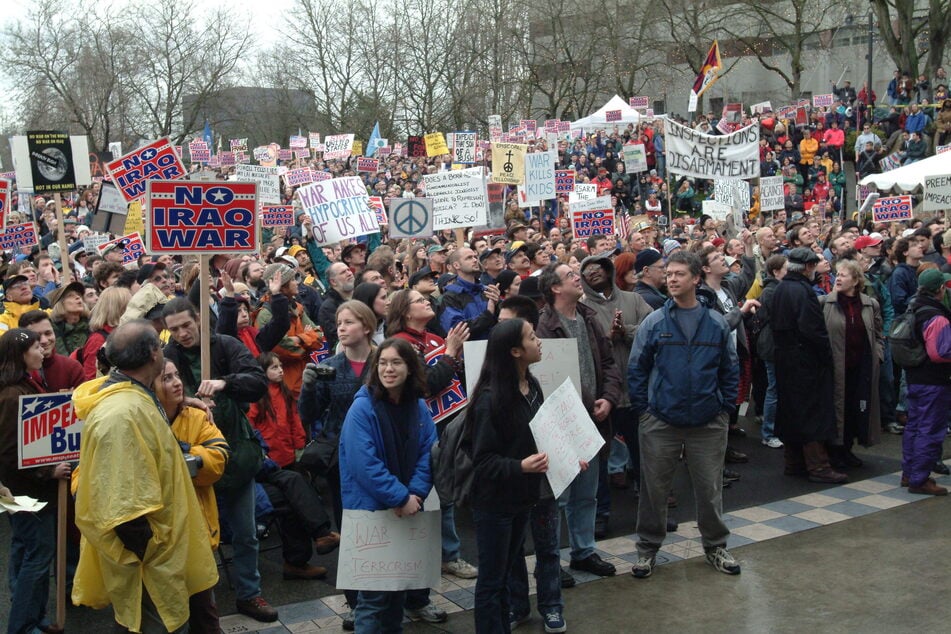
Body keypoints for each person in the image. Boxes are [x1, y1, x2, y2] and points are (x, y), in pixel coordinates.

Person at [71, 321, 217, 633]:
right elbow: (125, 508)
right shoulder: (122, 415)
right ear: (153, 353)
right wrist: (152, 551)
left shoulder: (135, 399)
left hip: (159, 556)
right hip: (149, 563)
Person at [161, 298, 278, 623]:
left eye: (186, 325)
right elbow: (152, 395)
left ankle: (249, 593)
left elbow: (257, 382)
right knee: (196, 539)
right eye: (174, 329)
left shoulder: (225, 345)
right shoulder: (167, 357)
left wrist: (226, 384)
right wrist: (187, 400)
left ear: (198, 319)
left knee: (245, 532)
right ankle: (201, 605)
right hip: (193, 460)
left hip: (235, 454)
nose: (182, 333)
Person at [628, 251, 741, 579]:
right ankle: (647, 549)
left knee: (709, 489)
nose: (672, 279)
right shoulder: (655, 321)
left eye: (679, 274)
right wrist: (644, 412)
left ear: (695, 279)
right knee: (654, 490)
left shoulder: (715, 322)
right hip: (661, 421)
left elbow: (729, 369)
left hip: (707, 421)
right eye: (669, 273)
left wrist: (725, 409)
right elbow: (637, 368)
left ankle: (716, 546)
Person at [339, 338, 437, 633]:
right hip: (371, 512)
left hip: (407, 508)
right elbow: (363, 464)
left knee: (397, 592)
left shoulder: (418, 407)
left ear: (410, 368)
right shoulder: (362, 408)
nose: (388, 369)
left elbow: (428, 453)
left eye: (396, 362)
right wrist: (399, 497)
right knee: (371, 600)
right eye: (382, 363)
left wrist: (416, 494)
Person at [467, 319, 558, 632]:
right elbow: (482, 461)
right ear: (516, 351)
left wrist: (567, 458)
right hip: (494, 505)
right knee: (492, 581)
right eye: (533, 337)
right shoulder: (490, 400)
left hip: (523, 498)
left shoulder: (531, 385)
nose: (540, 341)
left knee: (505, 573)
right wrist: (520, 466)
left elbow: (539, 436)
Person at [536, 262, 621, 583]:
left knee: (587, 495)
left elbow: (610, 363)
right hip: (559, 426)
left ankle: (583, 551)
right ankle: (551, 559)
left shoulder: (589, 318)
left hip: (592, 422)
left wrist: (609, 398)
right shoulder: (543, 327)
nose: (578, 277)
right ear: (556, 288)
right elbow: (544, 380)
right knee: (557, 499)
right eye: (571, 275)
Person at [298, 300, 378, 628]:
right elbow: (310, 415)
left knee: (390, 527)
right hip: (343, 462)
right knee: (352, 529)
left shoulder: (387, 359)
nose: (341, 328)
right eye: (339, 323)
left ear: (368, 327)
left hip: (384, 456)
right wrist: (307, 387)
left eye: (349, 322)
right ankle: (356, 601)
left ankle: (406, 595)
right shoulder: (329, 366)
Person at [0, 328, 72, 634]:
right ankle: (23, 625)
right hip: (25, 492)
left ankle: (34, 618)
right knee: (37, 556)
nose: (42, 350)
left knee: (31, 550)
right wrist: (48, 471)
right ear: (20, 355)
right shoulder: (12, 395)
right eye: (34, 346)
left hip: (25, 492)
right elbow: (8, 453)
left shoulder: (25, 386)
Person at [153, 358, 230, 633]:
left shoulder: (197, 416)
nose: (176, 382)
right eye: (166, 378)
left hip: (196, 529)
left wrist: (184, 453)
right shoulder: (141, 419)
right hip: (159, 536)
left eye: (176, 376)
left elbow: (218, 460)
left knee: (205, 614)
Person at [578, 252, 652, 536]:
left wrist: (626, 332)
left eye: (599, 269)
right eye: (588, 272)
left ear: (609, 271)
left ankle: (651, 510)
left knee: (644, 455)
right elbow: (583, 349)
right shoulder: (584, 309)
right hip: (603, 397)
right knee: (599, 461)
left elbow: (650, 330)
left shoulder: (633, 300)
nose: (594, 274)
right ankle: (601, 514)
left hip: (636, 391)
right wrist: (606, 339)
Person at [771, 248, 847, 484]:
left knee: (792, 410)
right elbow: (813, 330)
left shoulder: (781, 288)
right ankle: (819, 466)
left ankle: (794, 462)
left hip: (786, 359)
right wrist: (826, 357)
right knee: (811, 411)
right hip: (805, 362)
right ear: (807, 267)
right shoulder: (803, 291)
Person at [819, 259, 883, 469]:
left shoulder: (869, 304)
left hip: (860, 367)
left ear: (856, 280)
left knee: (857, 409)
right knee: (837, 408)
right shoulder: (824, 303)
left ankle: (848, 449)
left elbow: (879, 333)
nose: (838, 278)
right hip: (835, 368)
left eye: (844, 275)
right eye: (837, 274)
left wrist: (878, 355)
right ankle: (834, 451)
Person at [902, 269, 951, 495]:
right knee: (930, 429)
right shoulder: (937, 316)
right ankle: (920, 478)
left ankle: (909, 472)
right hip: (934, 381)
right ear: (940, 289)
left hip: (915, 376)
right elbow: (939, 353)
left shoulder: (913, 307)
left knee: (914, 425)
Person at [254, 263, 323, 399]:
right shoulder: (266, 314)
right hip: (285, 387)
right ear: (283, 286)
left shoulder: (297, 307)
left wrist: (298, 339)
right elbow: (280, 349)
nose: (297, 283)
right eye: (292, 279)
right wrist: (307, 339)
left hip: (304, 381)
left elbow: (319, 336)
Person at [750, 255, 787, 448]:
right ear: (776, 271)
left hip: (772, 344)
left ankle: (773, 428)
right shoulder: (773, 291)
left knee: (777, 387)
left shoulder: (774, 289)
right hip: (772, 345)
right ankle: (768, 432)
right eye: (786, 269)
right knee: (774, 388)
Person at [438, 247, 500, 340]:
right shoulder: (450, 297)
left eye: (475, 257)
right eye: (469, 258)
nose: (475, 260)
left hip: (493, 347)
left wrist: (499, 305)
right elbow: (457, 330)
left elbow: (503, 321)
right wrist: (488, 314)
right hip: (469, 352)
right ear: (456, 265)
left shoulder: (487, 290)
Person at [18, 309, 85, 392]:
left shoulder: (72, 367)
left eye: (48, 333)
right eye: (36, 336)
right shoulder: (16, 371)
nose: (44, 341)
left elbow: (84, 402)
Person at [47, 280, 90, 356]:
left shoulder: (91, 324)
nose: (78, 297)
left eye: (78, 295)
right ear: (59, 304)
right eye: (70, 295)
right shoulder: (53, 328)